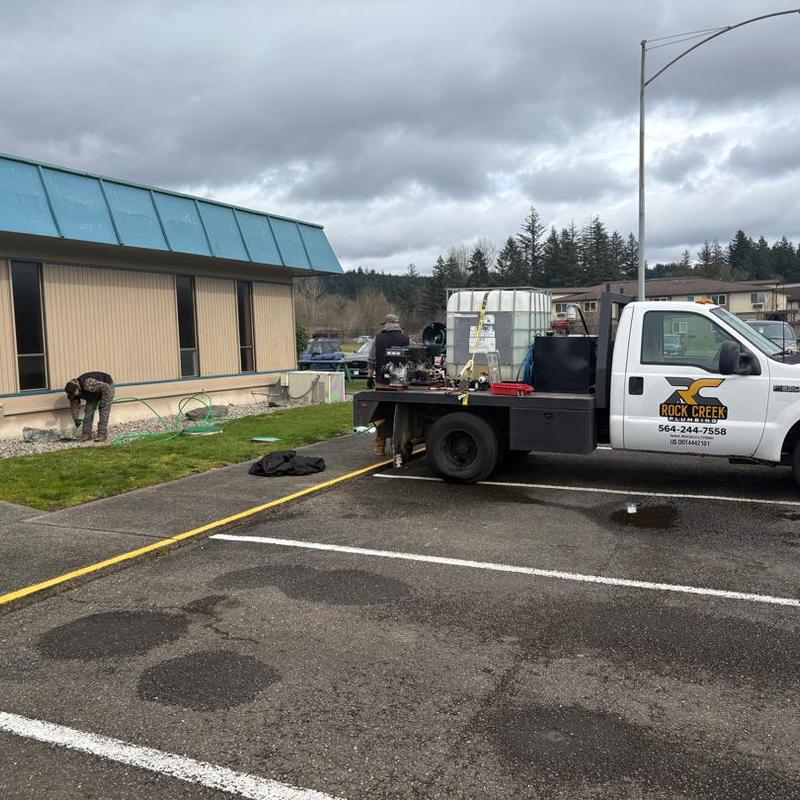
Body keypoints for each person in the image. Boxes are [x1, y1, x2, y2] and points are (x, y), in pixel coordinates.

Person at [367, 313, 409, 455]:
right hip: (400, 385)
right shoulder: (405, 338)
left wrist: (369, 376)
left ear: (386, 323)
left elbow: (372, 359)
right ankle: (395, 445)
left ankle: (380, 447)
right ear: (397, 323)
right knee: (398, 415)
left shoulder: (378, 338)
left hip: (382, 384)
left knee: (381, 415)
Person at [64, 372, 115, 442]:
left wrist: (103, 403)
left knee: (103, 411)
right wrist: (75, 418)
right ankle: (86, 434)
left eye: (74, 393)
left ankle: (102, 434)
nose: (74, 395)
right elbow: (74, 406)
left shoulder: (88, 383)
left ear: (77, 388)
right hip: (93, 392)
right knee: (88, 411)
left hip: (107, 386)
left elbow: (106, 387)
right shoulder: (72, 393)